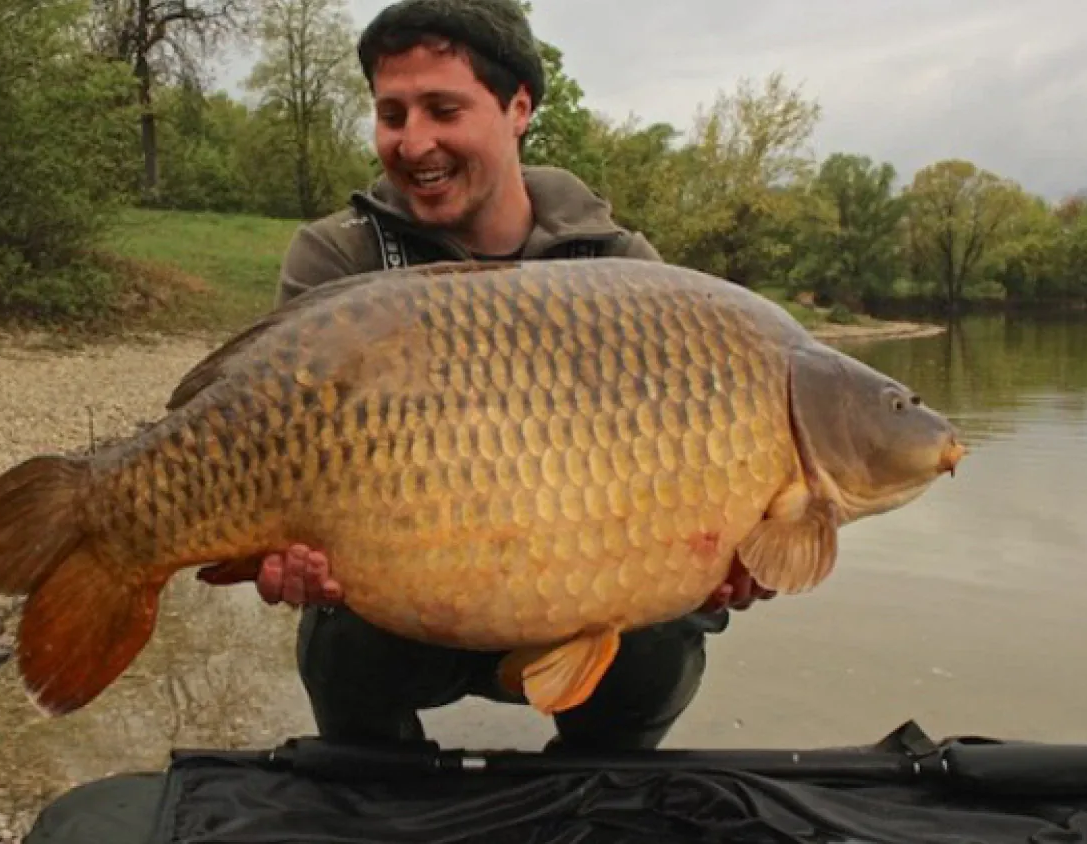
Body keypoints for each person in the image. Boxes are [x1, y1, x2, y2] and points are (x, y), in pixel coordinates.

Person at [232, 0, 773, 752]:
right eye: (392, 114)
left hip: (579, 597)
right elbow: (266, 444)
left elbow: (688, 473)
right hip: (401, 605)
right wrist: (271, 556)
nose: (414, 141)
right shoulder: (339, 258)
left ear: (519, 107)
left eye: (443, 109)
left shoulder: (623, 269)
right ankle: (384, 799)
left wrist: (717, 565)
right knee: (338, 640)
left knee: (667, 639)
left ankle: (587, 797)